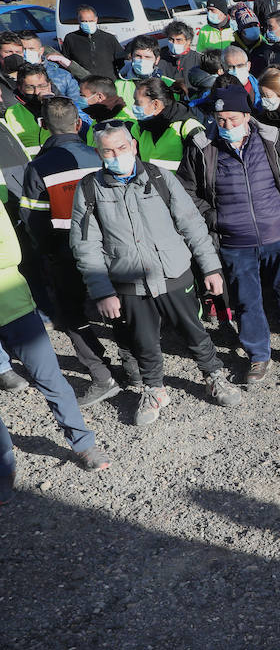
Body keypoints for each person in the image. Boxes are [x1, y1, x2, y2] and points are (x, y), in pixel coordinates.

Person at [71, 124, 243, 424]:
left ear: (133, 146)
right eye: (108, 151)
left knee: (195, 332)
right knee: (144, 341)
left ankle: (214, 375)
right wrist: (102, 291)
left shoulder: (161, 177)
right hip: (129, 284)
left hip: (174, 273)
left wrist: (211, 267)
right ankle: (154, 389)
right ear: (99, 153)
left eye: (121, 148)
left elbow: (192, 225)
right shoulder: (88, 189)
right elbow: (85, 246)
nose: (116, 155)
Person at [177, 87, 280, 384]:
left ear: (246, 115)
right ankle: (258, 355)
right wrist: (214, 218)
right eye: (220, 119)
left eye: (232, 119)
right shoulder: (202, 146)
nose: (226, 125)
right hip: (234, 242)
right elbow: (186, 192)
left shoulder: (273, 139)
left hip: (278, 235)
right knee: (247, 301)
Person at [18, 96, 122, 406]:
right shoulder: (100, 155)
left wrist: (49, 253)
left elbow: (33, 220)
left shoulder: (38, 167)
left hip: (65, 255)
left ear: (43, 127)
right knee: (121, 310)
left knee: (71, 315)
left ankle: (102, 376)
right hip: (109, 250)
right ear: (78, 124)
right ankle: (134, 369)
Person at [1, 203, 112, 470]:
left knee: (50, 378)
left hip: (15, 307)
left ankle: (83, 444)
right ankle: (4, 466)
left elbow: (11, 253)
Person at [130, 77, 204, 172]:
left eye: (137, 102)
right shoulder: (139, 128)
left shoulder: (188, 128)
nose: (134, 106)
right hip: (151, 185)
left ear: (155, 104)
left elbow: (201, 169)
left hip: (180, 186)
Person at [5, 64, 62, 157]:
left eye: (42, 86)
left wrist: (52, 103)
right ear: (20, 88)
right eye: (30, 87)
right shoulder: (11, 111)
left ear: (49, 85)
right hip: (30, 166)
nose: (36, 92)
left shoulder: (64, 105)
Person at [61, 4, 123, 80]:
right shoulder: (70, 38)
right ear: (78, 21)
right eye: (84, 21)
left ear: (96, 19)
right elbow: (65, 63)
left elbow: (121, 62)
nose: (88, 24)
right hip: (83, 82)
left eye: (91, 21)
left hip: (107, 83)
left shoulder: (109, 38)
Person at [16, 30, 81, 101]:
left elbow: (75, 104)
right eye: (23, 50)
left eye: (31, 49)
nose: (27, 52)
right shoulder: (13, 73)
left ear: (41, 50)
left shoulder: (63, 75)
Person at [157, 20, 202, 86]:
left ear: (188, 41)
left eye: (179, 40)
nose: (174, 43)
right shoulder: (160, 57)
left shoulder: (198, 59)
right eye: (171, 39)